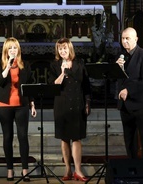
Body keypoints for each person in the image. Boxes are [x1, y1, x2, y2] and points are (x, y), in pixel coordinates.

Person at [48, 38, 91, 182]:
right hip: (62, 105)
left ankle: (78, 170)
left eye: (65, 48)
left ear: (70, 48)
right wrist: (62, 72)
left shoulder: (79, 63)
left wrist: (87, 103)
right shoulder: (54, 65)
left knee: (77, 137)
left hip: (78, 104)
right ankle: (67, 169)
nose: (62, 51)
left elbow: (86, 85)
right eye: (60, 49)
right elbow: (53, 86)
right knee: (64, 138)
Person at [0, 37, 37, 182]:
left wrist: (32, 103)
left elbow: (30, 85)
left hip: (22, 105)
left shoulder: (25, 65)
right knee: (7, 137)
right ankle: (10, 170)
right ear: (6, 50)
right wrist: (8, 66)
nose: (13, 50)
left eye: (15, 48)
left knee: (23, 137)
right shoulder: (0, 64)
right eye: (10, 48)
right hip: (4, 106)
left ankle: (25, 170)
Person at [116, 27, 143, 160]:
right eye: (123, 38)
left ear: (136, 39)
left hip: (140, 104)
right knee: (129, 140)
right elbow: (120, 80)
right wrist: (117, 69)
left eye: (128, 38)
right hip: (125, 105)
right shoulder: (121, 56)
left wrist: (129, 90)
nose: (125, 41)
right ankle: (132, 169)